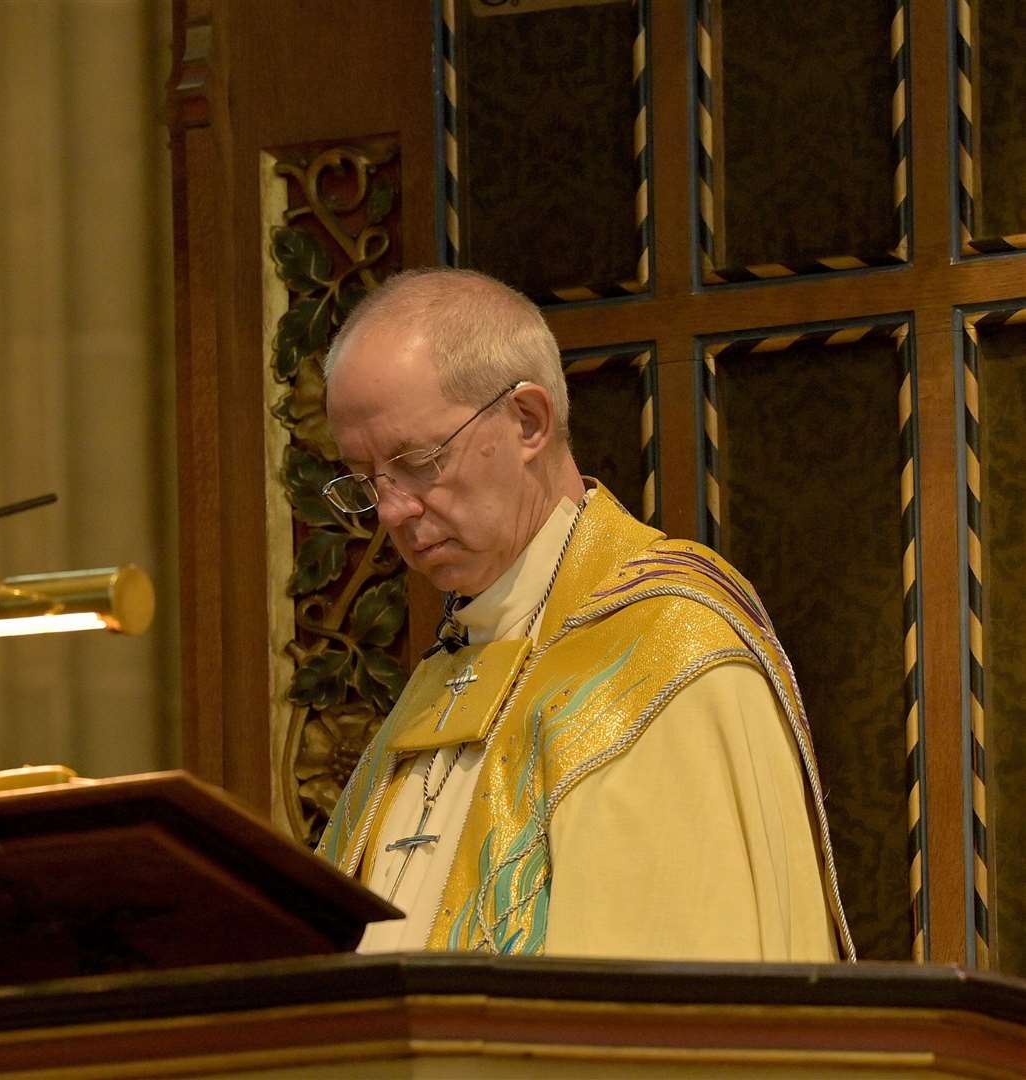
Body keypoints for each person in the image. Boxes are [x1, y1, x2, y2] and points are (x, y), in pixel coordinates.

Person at [315, 268, 853, 962]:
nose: (391, 511)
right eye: (365, 482)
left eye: (417, 461)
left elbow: (671, 1005)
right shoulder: (450, 667)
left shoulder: (669, 647)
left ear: (529, 421)